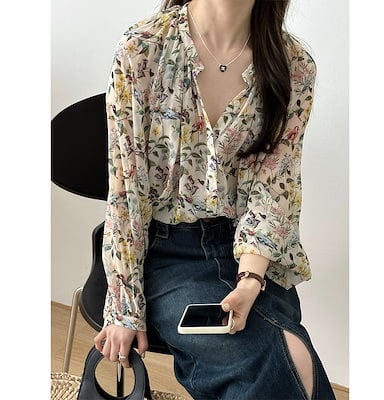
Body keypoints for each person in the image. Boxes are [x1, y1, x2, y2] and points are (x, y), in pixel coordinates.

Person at [94, 0, 337, 399]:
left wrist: (250, 280)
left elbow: (276, 186)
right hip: (166, 252)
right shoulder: (143, 48)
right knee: (285, 362)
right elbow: (125, 190)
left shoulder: (293, 66)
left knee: (292, 359)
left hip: (252, 255)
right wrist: (124, 306)